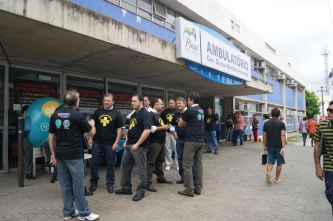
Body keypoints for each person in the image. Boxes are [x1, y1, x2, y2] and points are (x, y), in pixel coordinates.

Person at [48, 90, 99, 221]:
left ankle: (68, 212)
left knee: (65, 184)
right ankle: (84, 212)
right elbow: (91, 132)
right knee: (78, 184)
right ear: (76, 103)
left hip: (60, 154)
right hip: (74, 155)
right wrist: (92, 124)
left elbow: (51, 136)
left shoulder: (55, 115)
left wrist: (53, 153)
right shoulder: (77, 115)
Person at [115, 94, 151, 202]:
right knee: (125, 167)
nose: (132, 103)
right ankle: (126, 188)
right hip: (129, 146)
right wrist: (126, 141)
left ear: (141, 102)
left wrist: (137, 144)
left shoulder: (145, 114)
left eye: (134, 101)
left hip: (138, 147)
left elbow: (147, 130)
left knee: (141, 170)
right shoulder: (134, 114)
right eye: (131, 101)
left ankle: (140, 192)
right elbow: (131, 129)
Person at [88, 93, 124, 194]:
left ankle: (110, 184)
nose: (106, 102)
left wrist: (116, 142)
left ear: (113, 101)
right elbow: (92, 124)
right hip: (97, 142)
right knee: (94, 163)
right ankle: (93, 182)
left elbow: (120, 129)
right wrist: (90, 137)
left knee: (110, 164)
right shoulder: (98, 111)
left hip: (110, 143)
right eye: (105, 100)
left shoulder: (117, 113)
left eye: (108, 101)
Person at [178, 92, 204, 197]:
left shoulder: (189, 110)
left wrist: (184, 121)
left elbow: (180, 124)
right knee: (198, 164)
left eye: (188, 100)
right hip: (200, 141)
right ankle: (198, 188)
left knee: (186, 165)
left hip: (191, 141)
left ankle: (188, 190)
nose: (187, 102)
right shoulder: (201, 110)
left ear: (192, 100)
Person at [146, 98, 172, 192]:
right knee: (150, 162)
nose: (162, 106)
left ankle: (160, 178)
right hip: (154, 142)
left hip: (161, 142)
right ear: (155, 105)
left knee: (160, 160)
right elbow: (151, 128)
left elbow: (159, 126)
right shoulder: (150, 115)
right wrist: (163, 127)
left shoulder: (158, 115)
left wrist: (164, 127)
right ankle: (148, 183)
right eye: (161, 104)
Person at [170, 97, 196, 184]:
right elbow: (172, 125)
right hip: (179, 140)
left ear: (185, 103)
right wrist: (174, 134)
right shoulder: (176, 114)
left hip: (189, 140)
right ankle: (183, 177)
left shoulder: (189, 113)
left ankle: (192, 178)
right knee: (180, 159)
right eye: (177, 103)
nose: (178, 105)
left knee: (189, 160)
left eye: (179, 103)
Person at [314, 101, 333, 218]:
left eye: (331, 110)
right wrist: (317, 167)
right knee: (330, 194)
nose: (329, 112)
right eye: (328, 110)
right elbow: (317, 146)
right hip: (330, 170)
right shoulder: (322, 125)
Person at [263, 108, 286, 185]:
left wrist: (264, 145)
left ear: (271, 113)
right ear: (279, 115)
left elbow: (264, 135)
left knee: (270, 161)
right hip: (279, 146)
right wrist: (283, 147)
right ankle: (276, 179)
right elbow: (283, 135)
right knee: (279, 163)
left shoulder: (266, 123)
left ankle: (269, 173)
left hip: (270, 145)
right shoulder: (281, 123)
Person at [161, 99, 178, 171]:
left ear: (175, 104)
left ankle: (178, 164)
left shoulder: (177, 111)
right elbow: (161, 121)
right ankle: (168, 164)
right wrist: (164, 126)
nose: (171, 104)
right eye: (169, 103)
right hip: (167, 133)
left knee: (177, 149)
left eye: (172, 103)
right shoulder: (164, 112)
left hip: (175, 133)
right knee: (168, 149)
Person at [21, 105, 35, 180]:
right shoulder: (23, 119)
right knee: (28, 155)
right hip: (26, 139)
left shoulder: (29, 119)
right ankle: (28, 173)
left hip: (30, 138)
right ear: (24, 111)